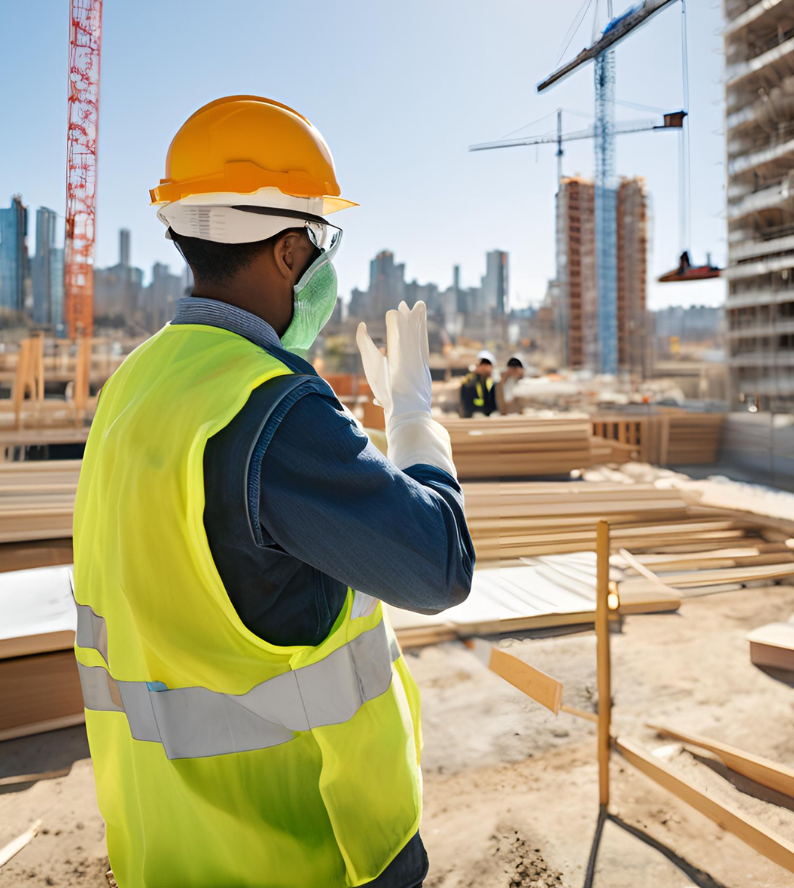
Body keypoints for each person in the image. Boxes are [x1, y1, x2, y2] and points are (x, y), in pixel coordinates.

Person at [72, 96, 474, 888]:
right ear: (290, 251)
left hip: (166, 848)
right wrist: (417, 425)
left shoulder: (133, 387)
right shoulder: (271, 407)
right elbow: (439, 566)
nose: (324, 264)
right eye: (321, 244)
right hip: (307, 850)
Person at [459, 349, 496, 418]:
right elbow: (466, 404)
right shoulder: (470, 383)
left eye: (487, 364)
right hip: (473, 416)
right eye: (482, 364)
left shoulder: (493, 382)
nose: (485, 367)